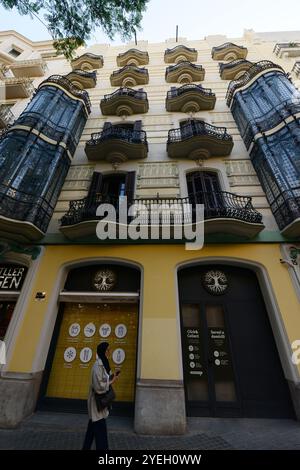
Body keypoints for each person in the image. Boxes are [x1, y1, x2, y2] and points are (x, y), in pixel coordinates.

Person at [82, 342, 120, 450]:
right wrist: (111, 381)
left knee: (92, 428)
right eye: (108, 350)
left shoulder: (104, 363)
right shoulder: (97, 366)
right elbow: (99, 387)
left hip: (101, 403)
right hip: (97, 402)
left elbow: (105, 379)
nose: (110, 352)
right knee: (100, 431)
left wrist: (112, 377)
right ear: (103, 351)